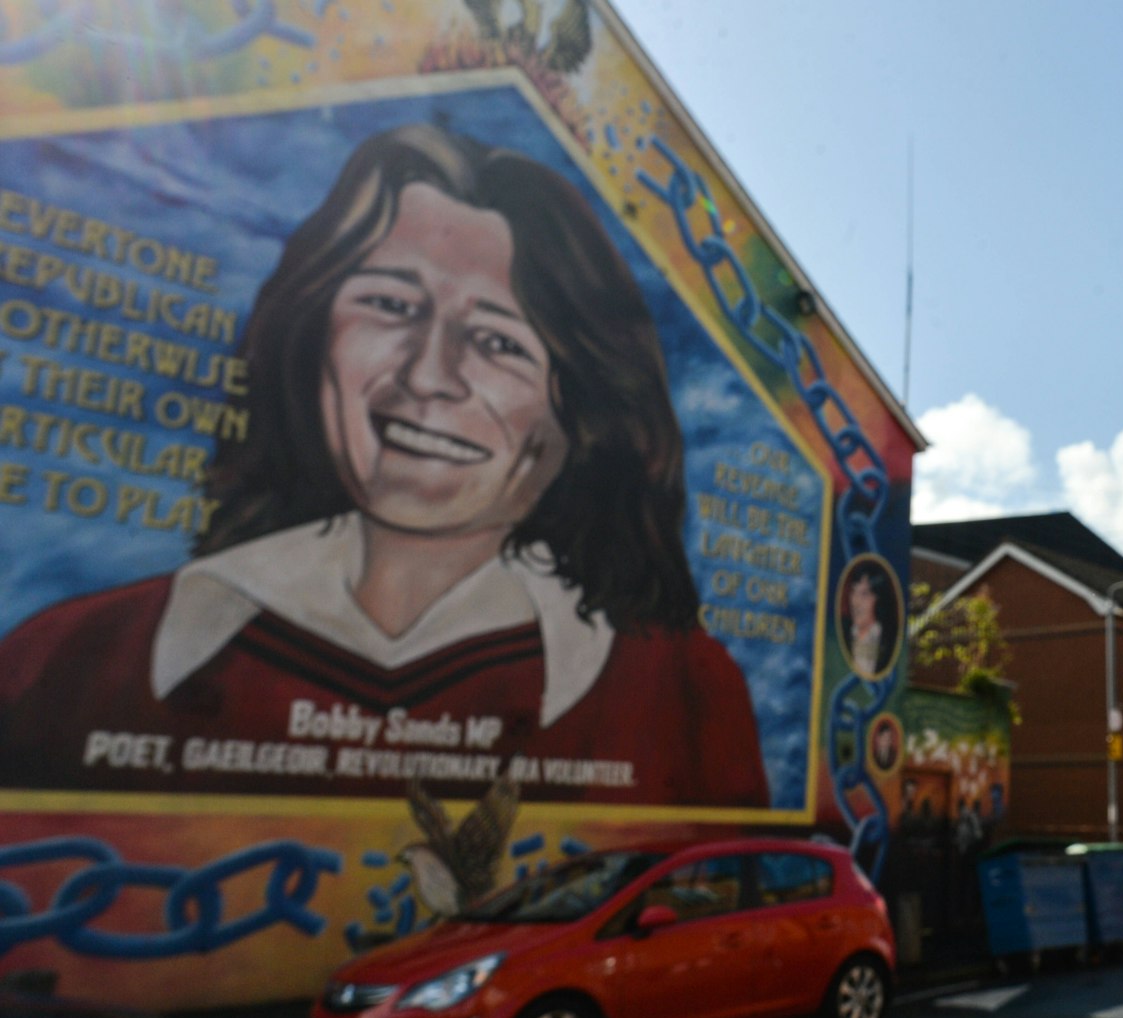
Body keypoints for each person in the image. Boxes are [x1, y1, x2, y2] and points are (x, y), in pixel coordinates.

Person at [0, 124, 769, 807]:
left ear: (582, 411)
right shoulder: (76, 660)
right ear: (312, 338)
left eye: (500, 342)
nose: (428, 375)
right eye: (390, 306)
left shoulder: (678, 694)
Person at [841, 562, 897, 679]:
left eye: (864, 594)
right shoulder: (841, 634)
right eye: (854, 592)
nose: (856, 602)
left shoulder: (891, 640)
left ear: (878, 599)